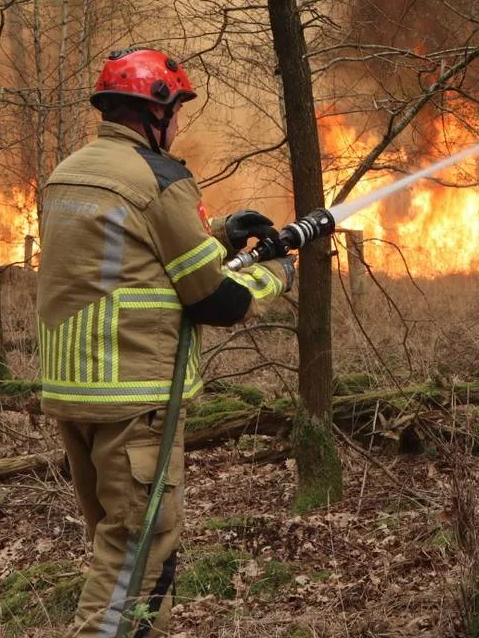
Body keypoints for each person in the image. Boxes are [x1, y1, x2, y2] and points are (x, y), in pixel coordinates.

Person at [37, 47, 290, 637]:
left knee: (118, 544)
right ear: (156, 111)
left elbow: (131, 256)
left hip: (75, 392)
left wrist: (225, 234)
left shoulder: (69, 173)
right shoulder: (160, 177)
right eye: (176, 110)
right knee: (137, 559)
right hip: (135, 399)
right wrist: (273, 271)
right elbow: (216, 302)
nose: (178, 125)